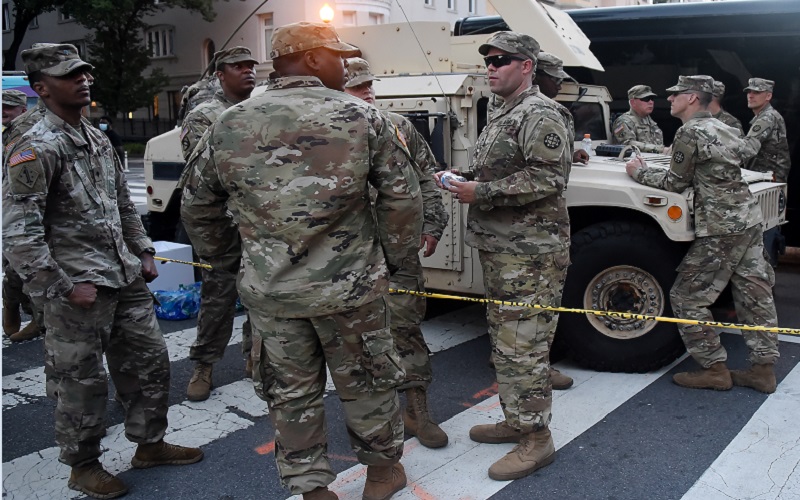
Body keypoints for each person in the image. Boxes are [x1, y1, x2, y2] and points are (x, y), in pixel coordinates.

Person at [181, 23, 419, 500]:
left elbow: (196, 204)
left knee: (290, 394)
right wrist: (390, 259)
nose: (344, 66)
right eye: (337, 56)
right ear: (311, 59)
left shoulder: (230, 122)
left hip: (272, 292)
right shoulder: (363, 117)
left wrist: (232, 261)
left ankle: (311, 489)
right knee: (368, 383)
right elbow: (402, 196)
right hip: (351, 288)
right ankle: (381, 475)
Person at [2, 43, 203, 499]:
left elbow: (122, 207)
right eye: (69, 74)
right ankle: (83, 464)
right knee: (80, 380)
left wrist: (145, 251)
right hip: (79, 287)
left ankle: (149, 444)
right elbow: (18, 234)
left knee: (150, 364)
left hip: (124, 275)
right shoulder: (33, 144)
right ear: (40, 88)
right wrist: (62, 287)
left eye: (84, 72)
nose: (83, 79)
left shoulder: (92, 135)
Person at [437, 31, 570, 482]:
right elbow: (504, 169)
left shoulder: (541, 112)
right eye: (488, 60)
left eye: (502, 60)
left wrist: (483, 192)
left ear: (527, 65)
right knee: (507, 345)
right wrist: (465, 178)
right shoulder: (503, 112)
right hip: (504, 249)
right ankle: (517, 420)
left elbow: (549, 178)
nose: (491, 66)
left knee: (524, 348)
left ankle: (537, 438)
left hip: (530, 254)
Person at [625, 75, 779, 394]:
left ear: (693, 98)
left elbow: (675, 183)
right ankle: (764, 371)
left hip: (722, 226)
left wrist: (637, 171)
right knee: (755, 293)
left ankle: (713, 368)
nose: (670, 99)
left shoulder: (691, 131)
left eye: (676, 94)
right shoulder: (726, 127)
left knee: (686, 296)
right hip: (747, 218)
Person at [344, 56, 451, 449]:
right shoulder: (330, 132)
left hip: (398, 250)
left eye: (369, 84)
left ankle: (417, 409)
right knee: (354, 339)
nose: (367, 92)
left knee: (405, 329)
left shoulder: (399, 126)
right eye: (356, 87)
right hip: (347, 255)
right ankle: (370, 418)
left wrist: (433, 224)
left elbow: (427, 174)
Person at [179, 46, 258, 401]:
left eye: (250, 66)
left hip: (258, 219)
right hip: (221, 220)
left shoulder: (261, 110)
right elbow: (208, 175)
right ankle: (204, 365)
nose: (247, 71)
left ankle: (255, 359)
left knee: (259, 291)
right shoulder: (203, 116)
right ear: (220, 74)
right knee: (219, 294)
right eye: (238, 67)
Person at [2, 89, 47, 342]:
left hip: (28, 207)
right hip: (12, 205)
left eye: (8, 107)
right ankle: (15, 309)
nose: (3, 111)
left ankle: (37, 319)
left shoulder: (26, 129)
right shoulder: (9, 131)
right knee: (15, 265)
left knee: (28, 266)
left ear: (22, 109)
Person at [738, 77, 790, 267]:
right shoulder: (764, 116)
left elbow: (747, 149)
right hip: (767, 181)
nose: (750, 95)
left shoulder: (767, 118)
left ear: (768, 96)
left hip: (768, 183)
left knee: (764, 231)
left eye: (756, 92)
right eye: (749, 92)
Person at [611, 84, 669, 154]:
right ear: (633, 102)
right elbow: (627, 144)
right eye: (646, 99)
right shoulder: (623, 122)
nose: (651, 102)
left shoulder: (651, 123)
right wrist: (660, 149)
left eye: (652, 98)